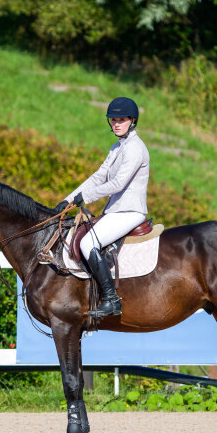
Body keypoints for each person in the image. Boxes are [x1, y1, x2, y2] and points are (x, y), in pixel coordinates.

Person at [53, 96, 150, 318]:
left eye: (121, 120)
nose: (116, 123)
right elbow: (98, 177)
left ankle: (111, 299)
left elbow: (117, 184)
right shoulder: (117, 148)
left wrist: (83, 197)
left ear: (132, 121)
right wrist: (68, 200)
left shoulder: (135, 148)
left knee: (88, 243)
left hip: (130, 211)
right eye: (113, 120)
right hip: (115, 211)